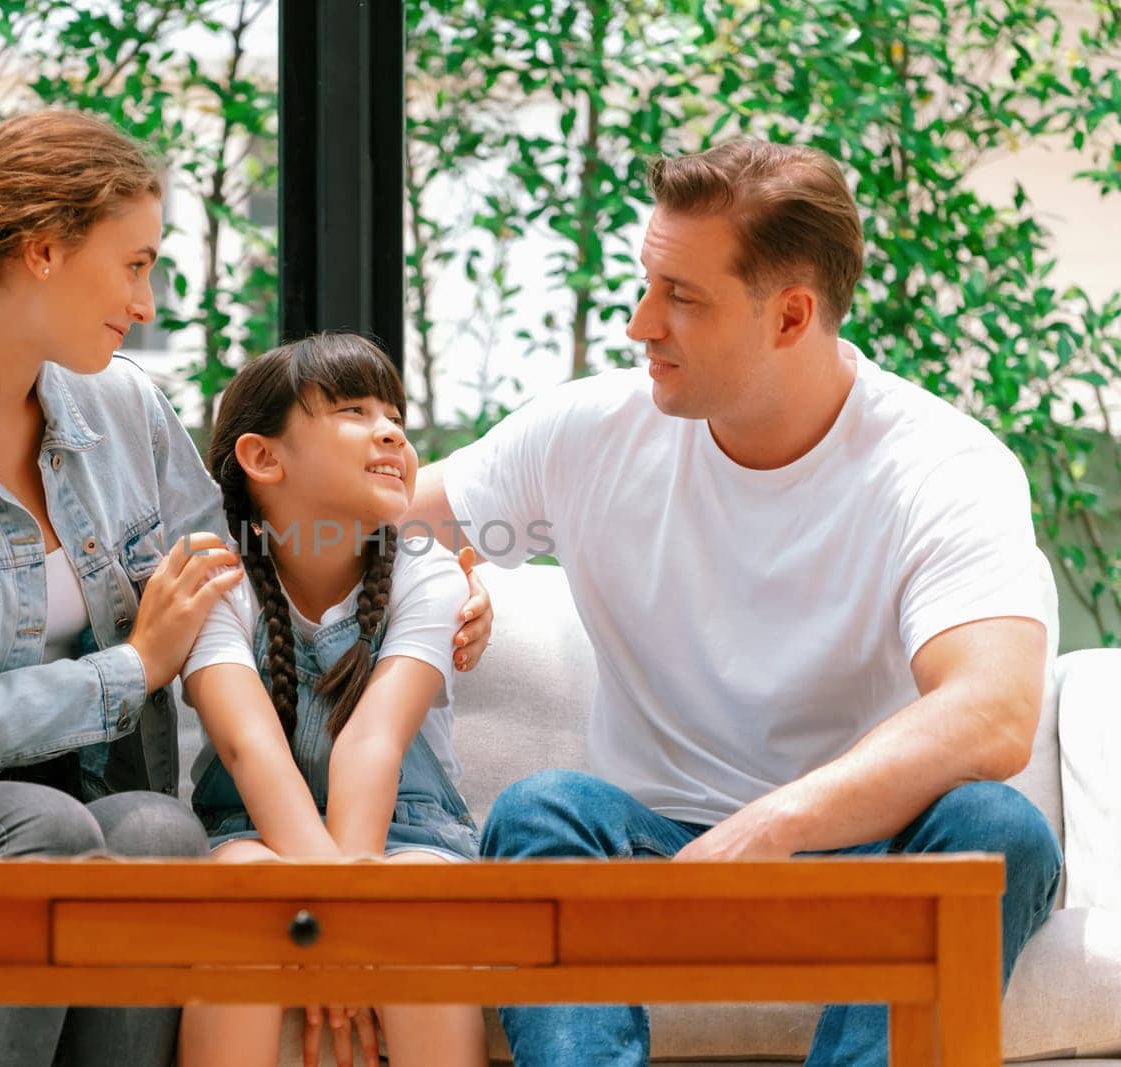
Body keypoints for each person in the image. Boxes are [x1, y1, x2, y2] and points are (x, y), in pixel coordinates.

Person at [0, 107, 493, 1067]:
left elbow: (249, 556)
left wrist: (439, 566)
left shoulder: (120, 406)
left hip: (55, 804)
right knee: (50, 826)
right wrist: (131, 667)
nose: (146, 303)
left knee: (154, 825)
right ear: (43, 251)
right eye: (134, 264)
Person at [404, 139, 1063, 1066]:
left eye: (682, 296)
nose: (640, 324)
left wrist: (774, 824)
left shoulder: (941, 467)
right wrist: (437, 568)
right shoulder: (591, 430)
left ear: (791, 316)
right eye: (647, 284)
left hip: (863, 857)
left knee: (998, 830)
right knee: (540, 809)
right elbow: (362, 523)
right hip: (651, 850)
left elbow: (992, 710)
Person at [176, 335, 489, 1067]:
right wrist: (326, 917)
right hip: (247, 830)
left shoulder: (428, 572)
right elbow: (246, 747)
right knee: (246, 894)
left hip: (412, 836)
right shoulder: (214, 578)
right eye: (353, 409)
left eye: (394, 413)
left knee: (414, 907)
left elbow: (370, 743)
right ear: (263, 459)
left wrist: (339, 924)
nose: (392, 430)